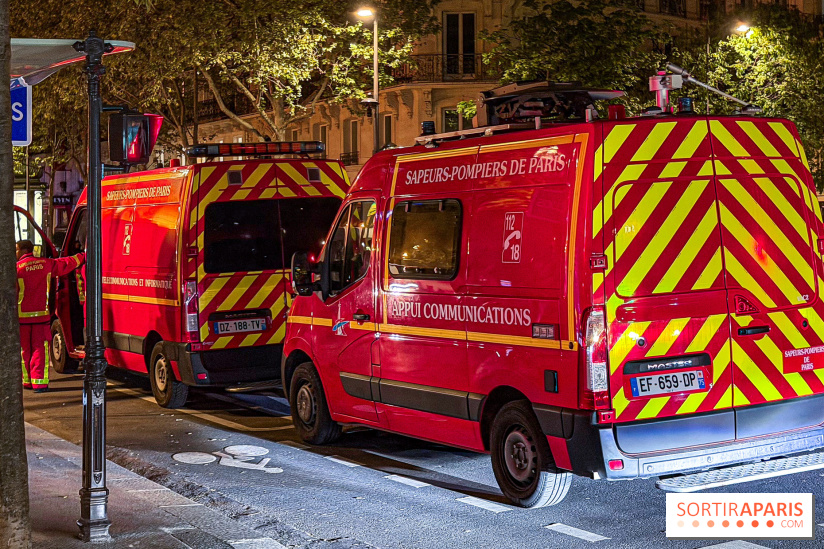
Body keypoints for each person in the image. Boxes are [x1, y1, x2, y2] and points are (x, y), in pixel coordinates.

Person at [16, 240, 85, 392]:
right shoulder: (46, 264)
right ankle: (39, 383)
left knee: (24, 350)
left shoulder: (16, 269)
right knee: (40, 348)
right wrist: (82, 256)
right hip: (41, 316)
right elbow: (66, 263)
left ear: (22, 250)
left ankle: (27, 381)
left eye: (16, 249)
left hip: (22, 318)